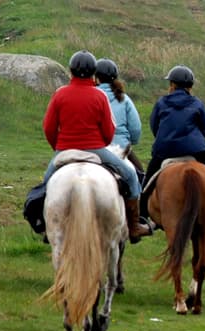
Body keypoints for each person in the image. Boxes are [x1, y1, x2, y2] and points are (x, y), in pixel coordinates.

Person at [41, 50, 152, 244]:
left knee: (46, 184)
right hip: (96, 150)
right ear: (93, 72)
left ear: (71, 71)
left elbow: (49, 127)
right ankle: (134, 226)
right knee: (132, 175)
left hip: (65, 150)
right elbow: (109, 131)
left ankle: (45, 224)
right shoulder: (99, 96)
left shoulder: (60, 94)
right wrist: (101, 143)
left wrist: (58, 149)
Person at [139, 65, 205, 227]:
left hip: (165, 149)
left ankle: (141, 214)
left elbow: (155, 126)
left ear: (172, 85)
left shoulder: (161, 102)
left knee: (149, 179)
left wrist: (166, 139)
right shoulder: (197, 103)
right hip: (195, 149)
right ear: (190, 87)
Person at [95, 58, 145, 175]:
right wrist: (131, 141)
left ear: (96, 77)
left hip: (94, 147)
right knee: (141, 175)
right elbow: (135, 128)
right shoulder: (124, 98)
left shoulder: (91, 96)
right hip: (120, 148)